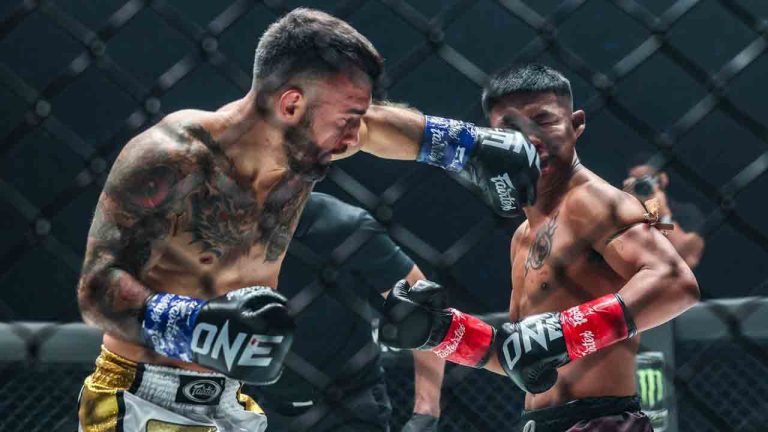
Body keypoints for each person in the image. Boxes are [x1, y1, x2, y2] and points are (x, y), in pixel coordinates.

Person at [76, 8, 539, 431]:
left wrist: (470, 146)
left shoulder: (305, 145)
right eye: (348, 120)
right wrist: (196, 325)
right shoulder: (174, 158)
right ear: (291, 105)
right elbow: (96, 288)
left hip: (230, 401)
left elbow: (383, 126)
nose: (355, 137)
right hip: (140, 397)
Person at [379, 64, 700, 432]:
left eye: (544, 121)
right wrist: (443, 332)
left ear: (576, 125)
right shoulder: (522, 235)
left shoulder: (591, 201)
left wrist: (565, 333)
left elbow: (676, 282)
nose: (530, 140)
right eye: (511, 131)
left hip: (602, 422)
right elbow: (520, 356)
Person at [248, 192, 445, 431]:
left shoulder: (341, 225)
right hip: (266, 404)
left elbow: (426, 306)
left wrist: (426, 411)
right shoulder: (217, 232)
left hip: (349, 405)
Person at [623, 156, 705, 268]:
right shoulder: (627, 211)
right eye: (637, 181)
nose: (642, 186)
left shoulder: (686, 212)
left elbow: (686, 257)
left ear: (662, 179)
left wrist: (663, 215)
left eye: (645, 179)